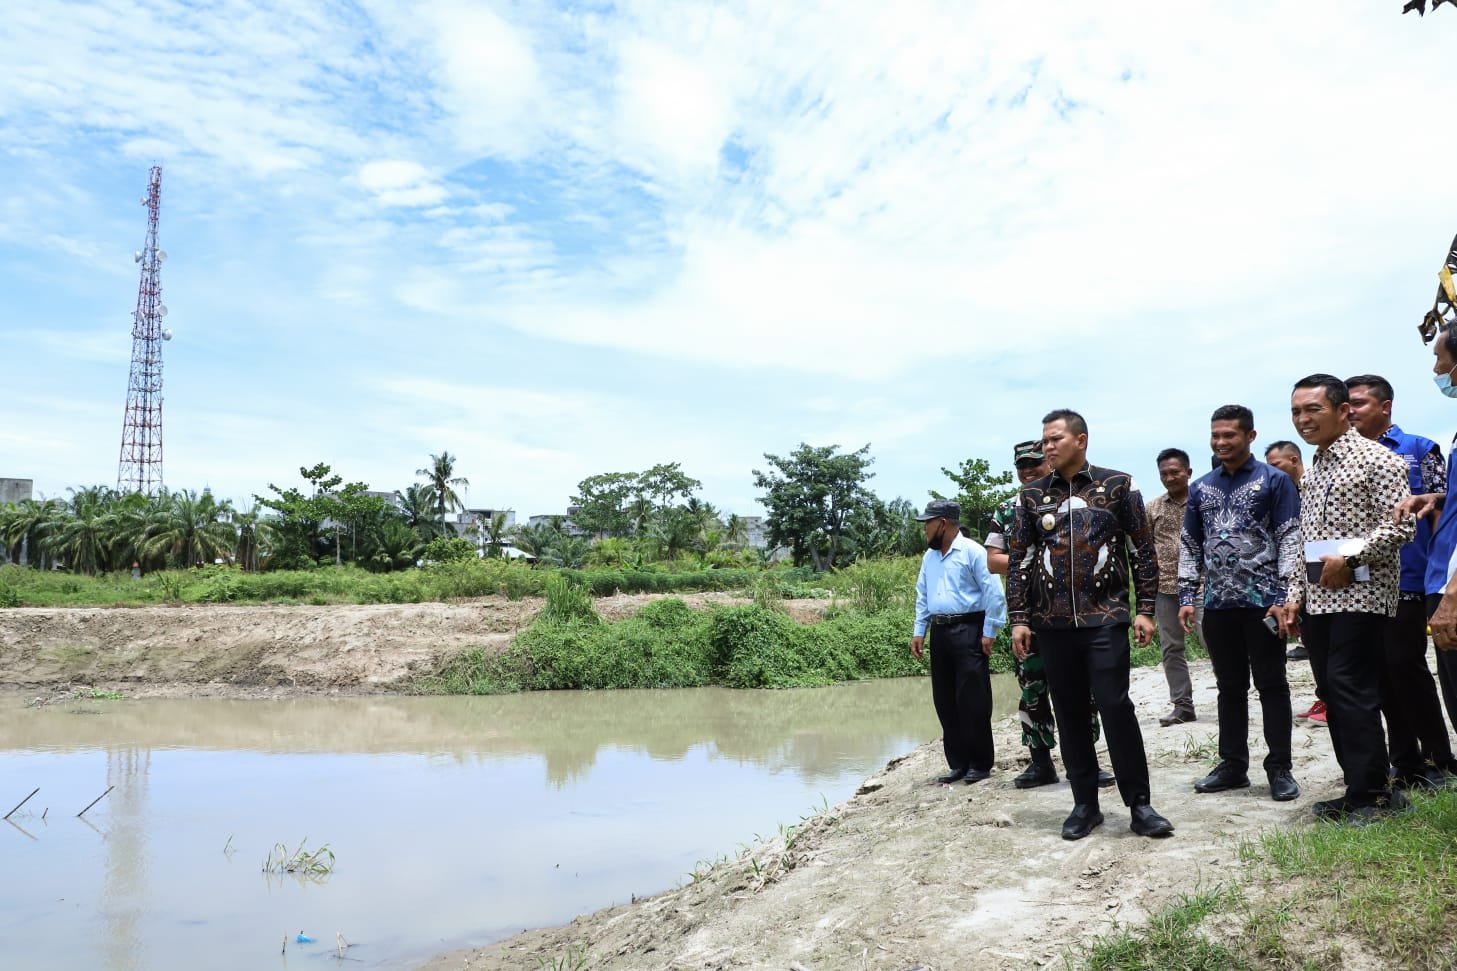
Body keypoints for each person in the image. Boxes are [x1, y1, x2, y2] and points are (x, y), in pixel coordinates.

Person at [1007, 409, 1174, 840]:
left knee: (1116, 707)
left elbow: (1142, 551)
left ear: (1081, 440)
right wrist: (1020, 619)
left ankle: (1140, 805)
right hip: (1052, 624)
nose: (1047, 447)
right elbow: (1021, 563)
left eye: (1055, 439)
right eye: (1044, 441)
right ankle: (1085, 804)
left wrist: (1146, 610)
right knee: (1069, 712)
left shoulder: (1118, 485)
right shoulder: (1031, 497)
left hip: (1106, 618)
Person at [1279, 374, 1415, 824]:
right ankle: (1358, 788)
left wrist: (1350, 555)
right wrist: (1296, 595)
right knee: (1332, 692)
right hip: (1319, 601)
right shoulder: (1314, 469)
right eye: (1297, 411)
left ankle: (1373, 797)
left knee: (1351, 689)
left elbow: (1401, 526)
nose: (1303, 419)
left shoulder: (1379, 461)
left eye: (1313, 410)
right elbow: (1307, 539)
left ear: (1342, 411)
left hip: (1362, 595)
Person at [1178, 405, 1302, 801]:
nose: (1221, 442)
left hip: (1263, 604)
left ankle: (1279, 767)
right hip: (1216, 605)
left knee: (1272, 685)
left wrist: (1286, 597)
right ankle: (1233, 765)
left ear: (1249, 436)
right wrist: (1186, 595)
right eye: (1215, 436)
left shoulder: (1275, 481)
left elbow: (1289, 538)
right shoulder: (1200, 488)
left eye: (1229, 435)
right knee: (1229, 688)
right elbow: (1190, 545)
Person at [1347, 374, 1457, 787]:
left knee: (1406, 667)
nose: (1351, 410)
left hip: (1409, 577)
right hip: (1359, 581)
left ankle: (1436, 755)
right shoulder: (1344, 457)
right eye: (1347, 404)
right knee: (1377, 673)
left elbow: (1445, 511)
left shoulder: (1417, 450)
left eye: (1359, 403)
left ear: (1385, 406)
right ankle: (1403, 758)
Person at [986, 441, 1114, 789]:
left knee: (1082, 690)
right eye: (1021, 466)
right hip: (1028, 616)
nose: (1027, 471)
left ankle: (1088, 763)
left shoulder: (1073, 500)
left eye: (1034, 464)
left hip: (1074, 615)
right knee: (1032, 688)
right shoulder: (1008, 508)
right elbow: (992, 558)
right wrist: (1034, 557)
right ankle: (1041, 763)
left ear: (1050, 462)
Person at [911, 499, 1008, 785]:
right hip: (940, 632)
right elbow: (922, 596)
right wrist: (920, 631)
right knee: (945, 699)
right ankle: (958, 763)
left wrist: (990, 631)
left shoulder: (973, 552)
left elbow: (993, 593)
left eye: (927, 523)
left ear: (942, 523)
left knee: (973, 698)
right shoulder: (929, 558)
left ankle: (980, 763)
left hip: (969, 629)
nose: (924, 529)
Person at [1393, 328, 1457, 752]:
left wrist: (1453, 593)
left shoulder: (1419, 447)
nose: (1437, 370)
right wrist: (1437, 496)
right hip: (1440, 578)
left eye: (1441, 359)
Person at [1145, 448, 1199, 726]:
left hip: (1204, 586)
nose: (1170, 477)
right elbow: (1143, 547)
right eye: (1164, 473)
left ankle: (1232, 697)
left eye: (1175, 472)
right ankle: (1182, 705)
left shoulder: (1203, 501)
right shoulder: (1152, 507)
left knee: (1214, 643)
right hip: (1165, 588)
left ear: (1188, 472)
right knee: (1171, 649)